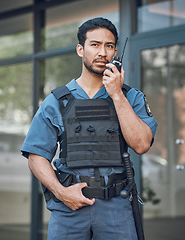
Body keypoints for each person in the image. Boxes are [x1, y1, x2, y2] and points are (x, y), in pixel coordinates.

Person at [21, 17, 157, 240]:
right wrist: (61, 192)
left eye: (109, 46)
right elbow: (36, 155)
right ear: (80, 49)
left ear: (115, 53)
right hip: (69, 207)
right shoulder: (57, 101)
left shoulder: (130, 97)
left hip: (117, 206)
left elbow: (141, 145)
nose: (102, 52)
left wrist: (116, 94)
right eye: (95, 44)